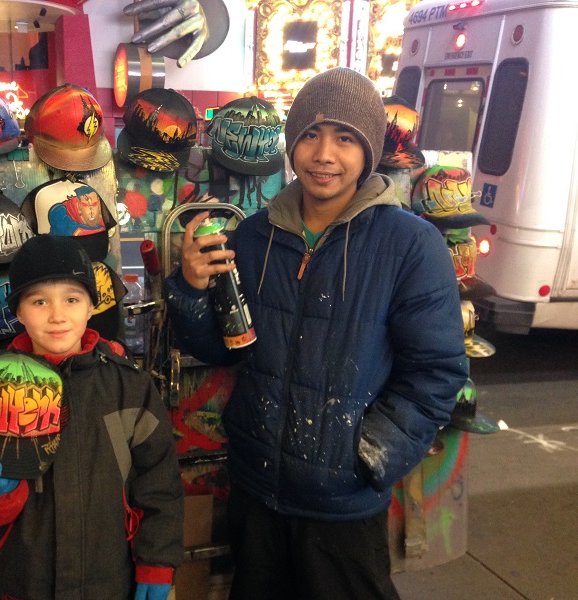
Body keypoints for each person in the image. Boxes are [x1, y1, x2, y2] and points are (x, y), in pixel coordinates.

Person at [164, 67, 468, 599]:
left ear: (368, 150)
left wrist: (369, 456)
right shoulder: (256, 235)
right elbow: (221, 348)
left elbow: (437, 373)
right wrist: (191, 288)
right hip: (257, 491)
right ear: (292, 144)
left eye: (345, 138)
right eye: (310, 134)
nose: (324, 154)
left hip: (343, 508)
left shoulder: (411, 246)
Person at [0, 234, 184, 600]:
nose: (57, 315)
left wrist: (157, 563)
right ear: (19, 311)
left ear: (90, 307)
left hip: (110, 582)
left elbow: (159, 482)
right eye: (39, 301)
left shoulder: (129, 387)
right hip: (22, 582)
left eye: (72, 299)